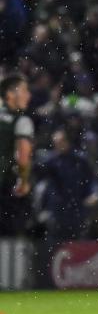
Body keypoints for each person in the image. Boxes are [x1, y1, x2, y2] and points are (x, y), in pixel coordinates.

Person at [0, 74, 34, 236]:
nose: (29, 95)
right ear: (10, 94)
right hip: (5, 189)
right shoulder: (21, 121)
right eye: (24, 90)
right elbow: (23, 153)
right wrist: (24, 181)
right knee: (10, 241)